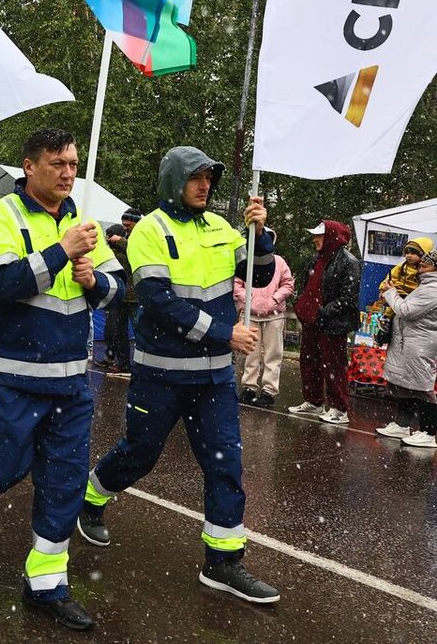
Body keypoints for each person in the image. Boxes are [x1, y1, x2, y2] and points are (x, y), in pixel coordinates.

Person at [0, 129, 124, 631]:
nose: (67, 173)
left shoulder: (82, 223)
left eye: (73, 164)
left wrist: (95, 280)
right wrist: (60, 252)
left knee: (63, 482)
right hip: (9, 377)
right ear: (29, 166)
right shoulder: (0, 216)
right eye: (57, 163)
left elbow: (114, 290)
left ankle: (46, 583)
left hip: (69, 381)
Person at [79, 146, 282, 605]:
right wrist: (223, 334)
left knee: (225, 465)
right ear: (174, 180)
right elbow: (156, 301)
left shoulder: (221, 227)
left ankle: (223, 561)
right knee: (140, 454)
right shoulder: (151, 229)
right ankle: (92, 496)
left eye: (209, 177)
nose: (205, 185)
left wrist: (260, 233)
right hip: (161, 375)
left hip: (213, 380)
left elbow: (261, 274)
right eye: (196, 177)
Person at [288, 221, 362, 424]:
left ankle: (339, 409)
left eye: (319, 235)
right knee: (308, 362)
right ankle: (314, 401)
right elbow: (307, 287)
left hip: (332, 324)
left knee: (334, 366)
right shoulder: (316, 260)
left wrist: (324, 312)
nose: (315, 239)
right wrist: (302, 305)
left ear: (331, 237)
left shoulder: (349, 262)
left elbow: (348, 297)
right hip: (312, 321)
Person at [378, 249, 437, 446]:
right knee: (405, 384)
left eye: (425, 265)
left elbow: (406, 310)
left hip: (421, 344)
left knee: (422, 387)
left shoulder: (433, 288)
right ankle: (402, 424)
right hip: (411, 342)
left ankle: (428, 433)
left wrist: (390, 293)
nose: (420, 268)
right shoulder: (425, 286)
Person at [234, 234, 295, 407]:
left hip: (274, 315)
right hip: (250, 314)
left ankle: (269, 391)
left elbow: (288, 284)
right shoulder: (245, 261)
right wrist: (248, 300)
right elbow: (236, 283)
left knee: (273, 354)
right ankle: (249, 387)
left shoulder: (280, 262)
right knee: (250, 353)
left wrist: (275, 299)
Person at [376, 238, 433, 340]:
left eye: (413, 253)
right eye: (406, 253)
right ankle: (386, 320)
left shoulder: (422, 271)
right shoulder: (401, 266)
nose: (408, 255)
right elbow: (390, 277)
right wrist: (383, 289)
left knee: (401, 309)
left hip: (413, 296)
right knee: (393, 308)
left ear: (423, 254)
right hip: (399, 291)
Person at [100, 222, 134, 374]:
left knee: (129, 332)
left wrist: (119, 242)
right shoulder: (113, 252)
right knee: (114, 332)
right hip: (119, 297)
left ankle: (128, 364)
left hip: (133, 297)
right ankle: (117, 360)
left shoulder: (132, 246)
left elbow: (134, 253)